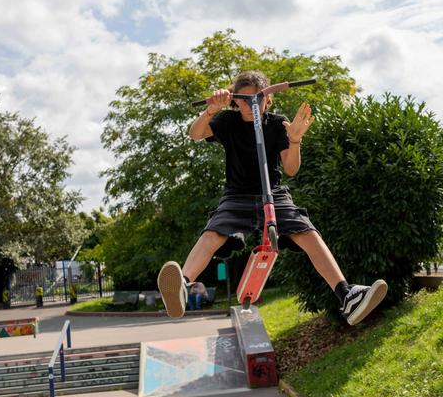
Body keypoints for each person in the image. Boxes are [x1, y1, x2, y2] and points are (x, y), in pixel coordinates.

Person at [157, 70, 386, 325]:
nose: (251, 104)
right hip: (237, 196)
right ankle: (183, 286)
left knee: (307, 233)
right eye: (244, 99)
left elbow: (290, 169)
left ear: (268, 100)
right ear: (234, 100)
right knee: (212, 234)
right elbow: (195, 134)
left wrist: (295, 140)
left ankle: (347, 296)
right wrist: (211, 109)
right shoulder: (227, 121)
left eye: (258, 98)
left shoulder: (277, 123)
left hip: (274, 193)